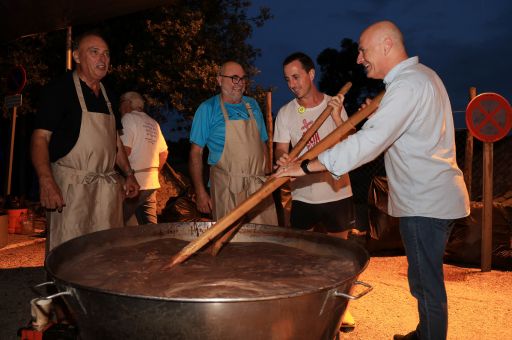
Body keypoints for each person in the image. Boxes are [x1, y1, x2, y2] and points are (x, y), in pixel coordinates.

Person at [274, 21, 470, 340]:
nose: (359, 58)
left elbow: (368, 143)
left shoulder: (407, 86)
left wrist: (306, 167)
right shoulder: (421, 78)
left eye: (363, 50)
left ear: (387, 45)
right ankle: (424, 332)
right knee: (423, 279)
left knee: (426, 285)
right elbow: (399, 134)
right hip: (430, 198)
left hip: (426, 203)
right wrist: (377, 118)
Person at [31, 31, 140, 252]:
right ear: (77, 56)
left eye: (106, 54)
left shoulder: (109, 96)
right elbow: (40, 138)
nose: (103, 59)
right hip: (71, 188)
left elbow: (114, 142)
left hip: (106, 191)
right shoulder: (59, 90)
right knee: (69, 254)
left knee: (106, 251)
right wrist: (46, 180)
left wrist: (129, 174)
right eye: (94, 52)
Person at [273, 52, 357, 332]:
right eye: (287, 79)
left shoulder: (335, 104)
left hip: (337, 192)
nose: (292, 84)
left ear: (311, 74)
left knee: (341, 256)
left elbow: (351, 145)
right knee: (300, 255)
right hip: (303, 195)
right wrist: (283, 159)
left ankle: (342, 309)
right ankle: (303, 306)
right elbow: (281, 149)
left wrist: (336, 115)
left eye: (296, 76)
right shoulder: (286, 112)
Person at [189, 61, 277, 225]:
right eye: (234, 78)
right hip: (226, 187)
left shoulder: (253, 105)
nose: (239, 84)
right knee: (231, 242)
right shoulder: (208, 108)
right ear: (219, 80)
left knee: (266, 240)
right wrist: (200, 192)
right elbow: (196, 153)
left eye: (242, 79)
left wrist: (268, 176)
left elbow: (262, 143)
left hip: (258, 186)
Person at [119, 91, 168, 225]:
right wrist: (155, 172)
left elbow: (125, 151)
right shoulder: (153, 123)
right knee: (149, 226)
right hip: (151, 182)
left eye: (120, 104)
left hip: (133, 183)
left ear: (128, 103)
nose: (119, 108)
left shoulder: (128, 119)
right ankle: (156, 246)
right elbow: (164, 153)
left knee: (118, 222)